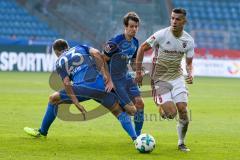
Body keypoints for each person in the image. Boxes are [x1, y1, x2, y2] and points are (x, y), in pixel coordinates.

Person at [24, 39, 137, 141]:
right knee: (118, 111)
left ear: (56, 53)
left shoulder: (60, 61)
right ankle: (136, 139)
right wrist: (105, 74)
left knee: (53, 99)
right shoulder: (81, 47)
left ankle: (42, 132)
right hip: (100, 85)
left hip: (83, 89)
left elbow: (67, 82)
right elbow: (97, 53)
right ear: (67, 47)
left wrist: (76, 103)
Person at [135, 8, 194, 152]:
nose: (174, 21)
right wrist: (138, 71)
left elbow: (189, 63)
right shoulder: (161, 35)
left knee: (183, 111)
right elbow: (142, 48)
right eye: (172, 18)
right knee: (172, 113)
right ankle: (163, 108)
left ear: (184, 21)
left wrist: (190, 73)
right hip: (160, 79)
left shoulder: (188, 41)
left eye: (178, 19)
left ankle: (181, 142)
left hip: (177, 77)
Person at [102, 12, 144, 136]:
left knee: (140, 104)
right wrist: (108, 80)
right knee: (132, 111)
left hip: (126, 77)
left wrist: (138, 72)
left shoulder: (135, 42)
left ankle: (138, 136)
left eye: (136, 26)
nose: (134, 29)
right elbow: (101, 59)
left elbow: (133, 61)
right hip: (115, 80)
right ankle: (118, 102)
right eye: (131, 26)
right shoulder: (114, 42)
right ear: (125, 26)